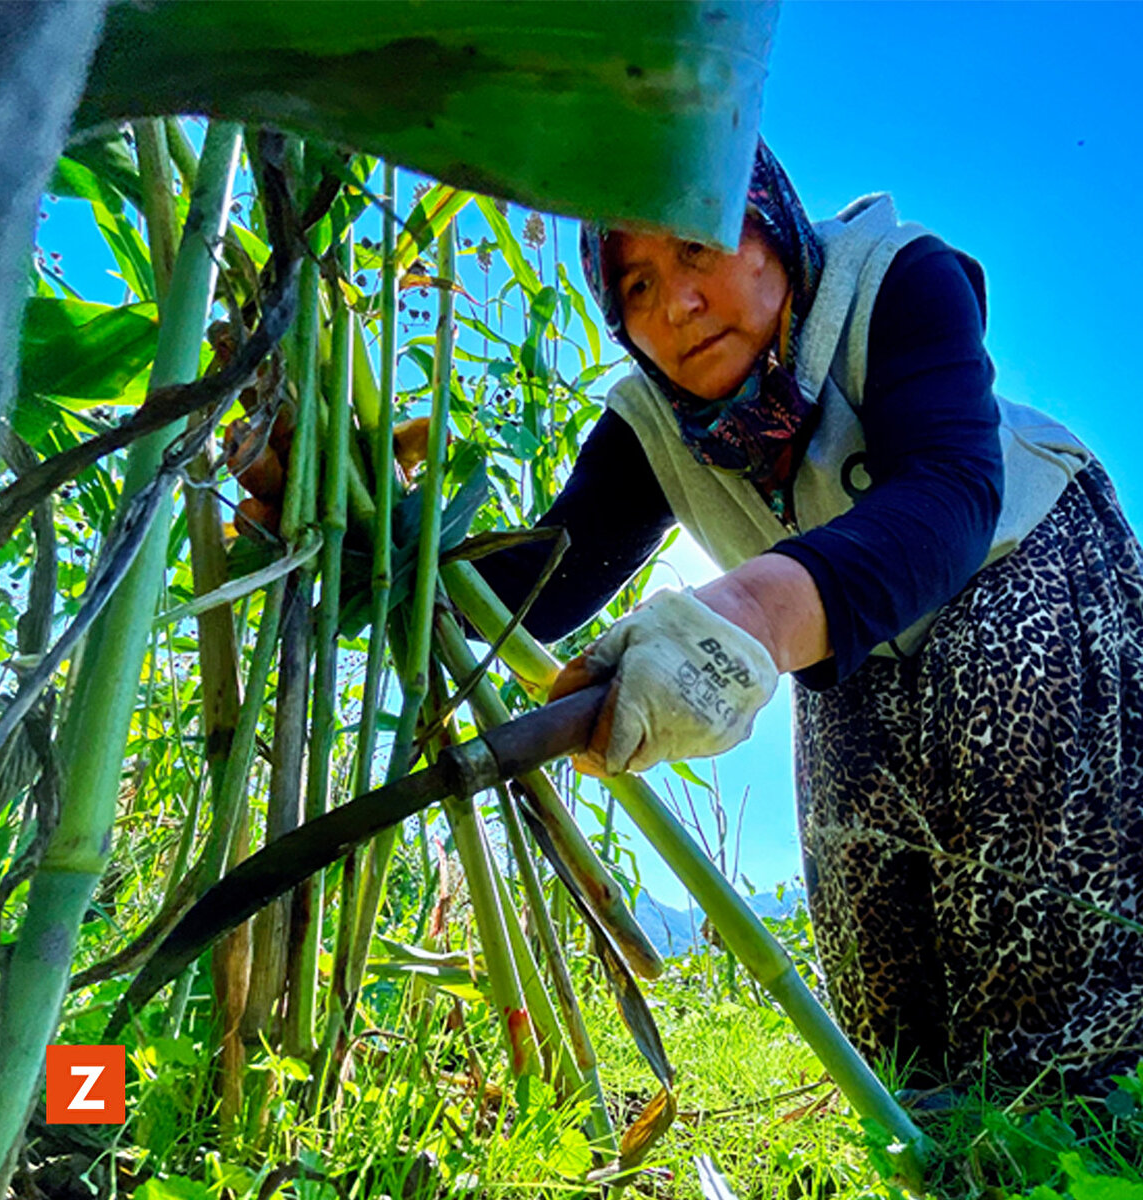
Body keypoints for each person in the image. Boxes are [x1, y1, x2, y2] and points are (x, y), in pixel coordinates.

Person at [475, 138, 1143, 1091]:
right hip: (846, 631)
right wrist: (367, 517)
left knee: (1037, 929)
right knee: (880, 968)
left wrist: (739, 613)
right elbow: (539, 586)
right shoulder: (654, 423)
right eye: (636, 289)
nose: (677, 307)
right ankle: (937, 1136)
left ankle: (1070, 1123)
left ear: (768, 225)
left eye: (697, 248)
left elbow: (950, 497)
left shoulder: (897, 281)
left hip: (1021, 568)